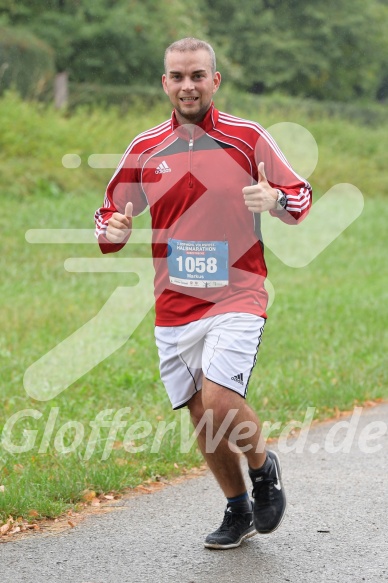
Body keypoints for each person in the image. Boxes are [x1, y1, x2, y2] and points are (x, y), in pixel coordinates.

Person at [94, 38, 312, 550]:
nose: (187, 85)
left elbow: (300, 197)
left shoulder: (246, 138)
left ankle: (263, 470)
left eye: (197, 75)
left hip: (238, 293)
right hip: (173, 304)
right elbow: (108, 213)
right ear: (164, 83)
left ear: (215, 81)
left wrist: (275, 198)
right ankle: (238, 509)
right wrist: (115, 230)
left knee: (218, 400)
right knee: (199, 413)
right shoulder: (146, 147)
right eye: (177, 76)